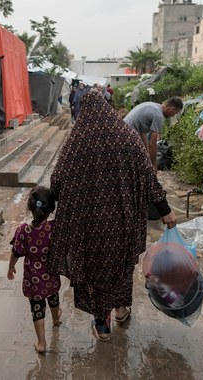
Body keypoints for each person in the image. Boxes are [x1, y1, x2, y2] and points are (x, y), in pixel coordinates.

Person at [48, 92, 177, 341]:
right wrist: (165, 210)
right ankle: (120, 309)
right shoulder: (127, 137)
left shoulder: (78, 140)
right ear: (109, 109)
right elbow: (148, 178)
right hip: (122, 222)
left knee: (93, 271)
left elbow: (58, 179)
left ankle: (101, 323)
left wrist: (48, 206)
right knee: (120, 267)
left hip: (89, 225)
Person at [7, 186, 62, 354]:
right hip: (51, 274)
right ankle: (55, 318)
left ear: (30, 207)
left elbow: (16, 252)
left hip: (33, 279)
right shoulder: (55, 228)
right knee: (53, 296)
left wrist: (11, 267)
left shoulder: (23, 231)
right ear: (51, 208)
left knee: (37, 308)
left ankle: (41, 343)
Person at [124, 97, 184, 172]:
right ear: (171, 109)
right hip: (127, 136)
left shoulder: (152, 105)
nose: (173, 116)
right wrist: (154, 164)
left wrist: (147, 154)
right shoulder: (158, 116)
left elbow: (143, 132)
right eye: (175, 113)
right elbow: (152, 144)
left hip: (123, 131)